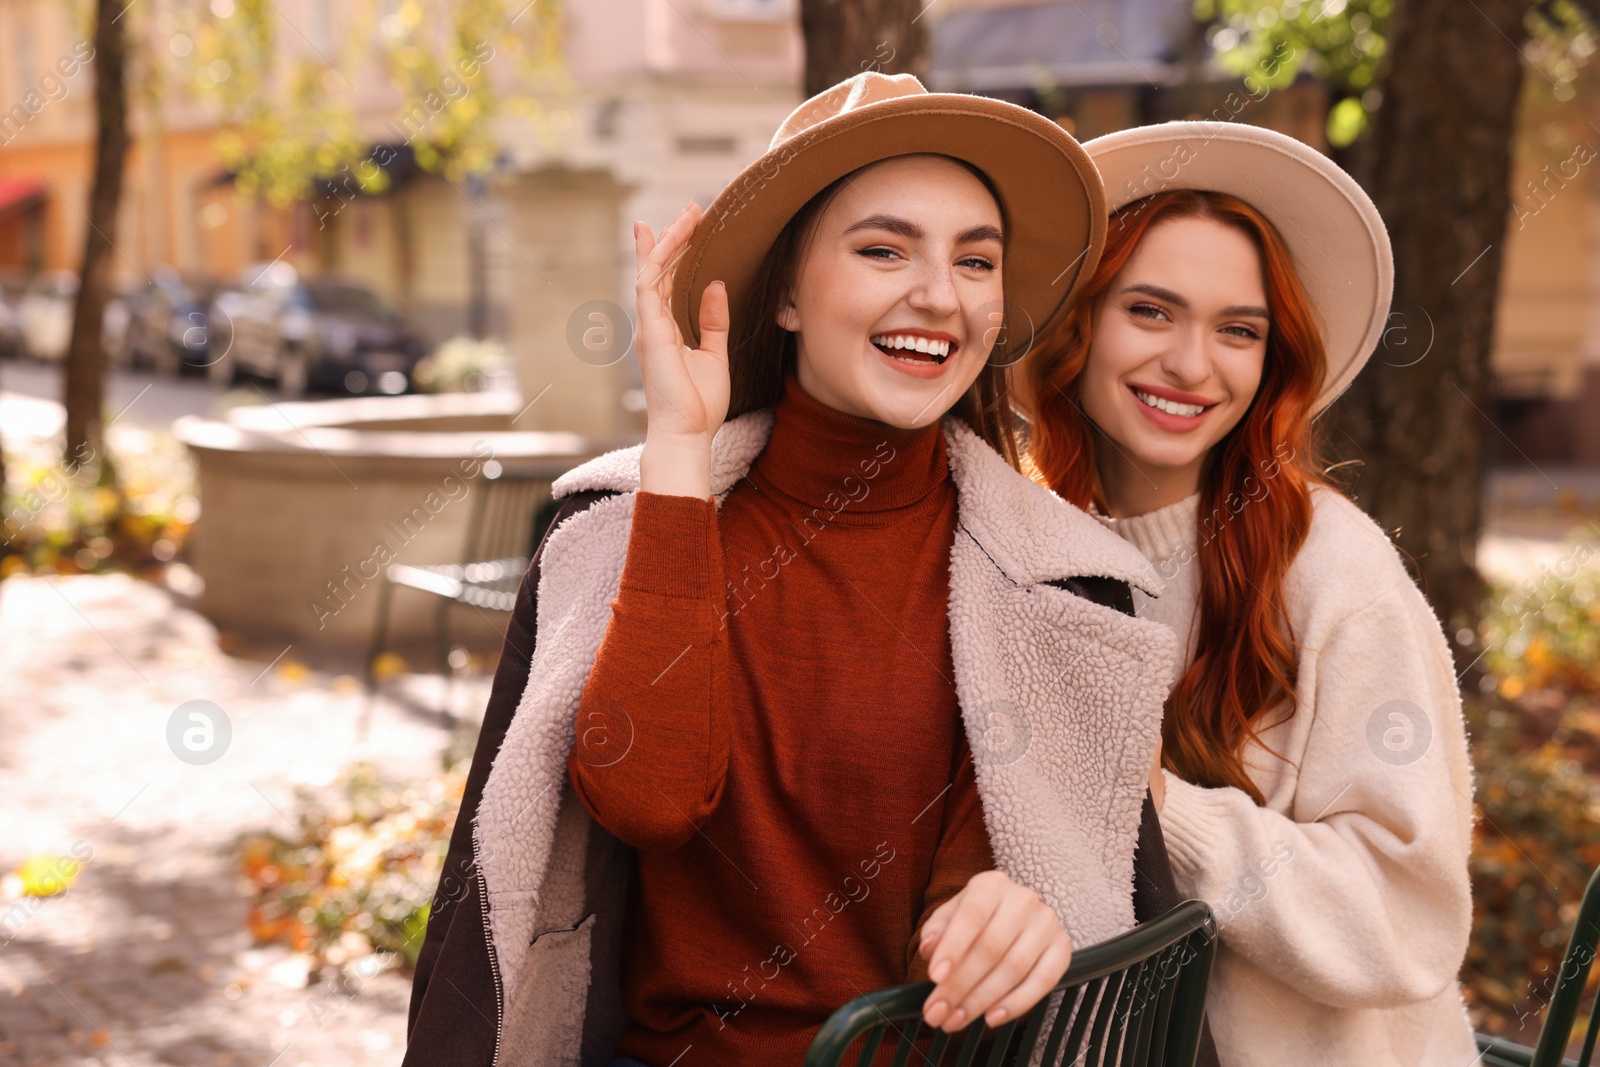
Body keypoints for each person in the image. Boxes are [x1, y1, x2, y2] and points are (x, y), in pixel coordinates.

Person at [402, 73, 1185, 1067]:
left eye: (974, 260)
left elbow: (1022, 887)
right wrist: (678, 453)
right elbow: (648, 797)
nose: (939, 294)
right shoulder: (615, 532)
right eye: (882, 249)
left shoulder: (1058, 584)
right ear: (782, 293)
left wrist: (1017, 907)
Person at [1024, 120, 1478, 1065]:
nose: (1193, 365)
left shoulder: (1333, 573)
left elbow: (1406, 916)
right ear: (1080, 321)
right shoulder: (1026, 548)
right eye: (1150, 311)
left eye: (1239, 330)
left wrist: (1163, 805)